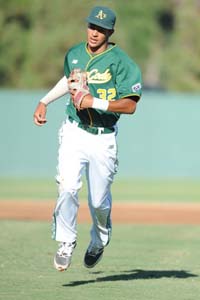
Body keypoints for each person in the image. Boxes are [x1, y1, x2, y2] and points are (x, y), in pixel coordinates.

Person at [33, 6, 142, 272]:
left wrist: (95, 101)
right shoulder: (74, 54)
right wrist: (45, 100)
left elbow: (130, 105)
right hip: (74, 129)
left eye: (102, 29)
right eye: (92, 26)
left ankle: (100, 239)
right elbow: (68, 79)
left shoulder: (122, 62)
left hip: (103, 138)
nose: (95, 32)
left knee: (98, 202)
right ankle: (66, 242)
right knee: (68, 188)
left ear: (110, 32)